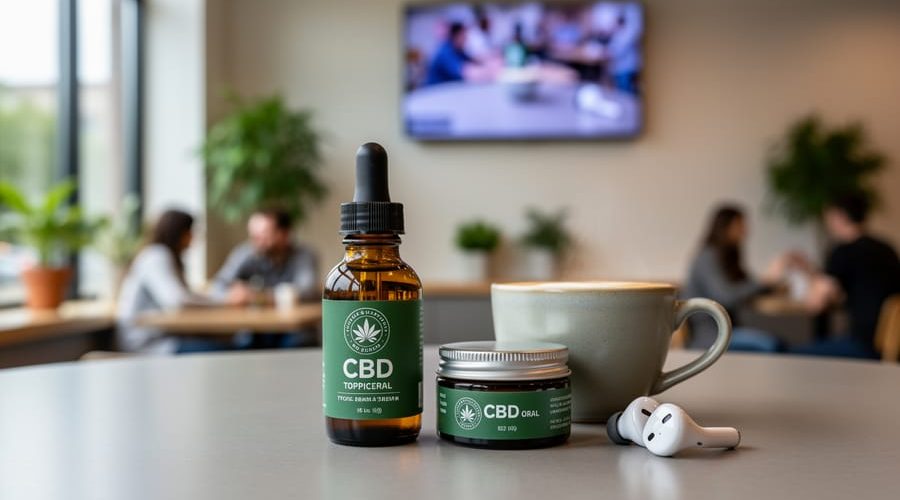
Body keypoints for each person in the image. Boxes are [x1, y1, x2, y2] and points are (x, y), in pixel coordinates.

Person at [793, 194, 900, 359]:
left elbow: (814, 304)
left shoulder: (844, 252)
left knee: (791, 355)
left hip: (865, 345)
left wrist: (807, 275)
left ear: (839, 216)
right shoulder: (887, 249)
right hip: (892, 344)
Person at [682, 205, 788, 352]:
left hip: (729, 332)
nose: (745, 231)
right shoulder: (707, 257)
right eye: (740, 225)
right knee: (772, 345)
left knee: (777, 340)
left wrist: (770, 284)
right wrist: (764, 282)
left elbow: (747, 286)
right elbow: (726, 296)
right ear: (725, 227)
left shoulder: (729, 258)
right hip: (711, 337)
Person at [211, 209, 319, 347]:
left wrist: (258, 296)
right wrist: (230, 295)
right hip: (254, 330)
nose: (256, 240)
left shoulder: (303, 255)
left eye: (263, 234)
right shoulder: (246, 253)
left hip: (293, 331)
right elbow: (217, 286)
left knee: (299, 344)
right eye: (253, 235)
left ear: (284, 234)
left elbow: (307, 290)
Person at [116, 209, 217, 354]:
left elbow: (186, 295)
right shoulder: (156, 256)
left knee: (231, 347)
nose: (194, 238)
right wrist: (219, 302)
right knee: (230, 351)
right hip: (148, 345)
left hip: (163, 338)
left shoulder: (166, 257)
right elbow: (177, 301)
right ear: (180, 233)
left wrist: (219, 299)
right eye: (191, 232)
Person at [426, 22, 494, 85]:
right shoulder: (445, 52)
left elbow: (474, 61)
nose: (466, 39)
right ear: (457, 36)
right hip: (433, 94)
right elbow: (467, 72)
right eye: (464, 36)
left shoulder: (458, 50)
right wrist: (489, 71)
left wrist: (489, 60)